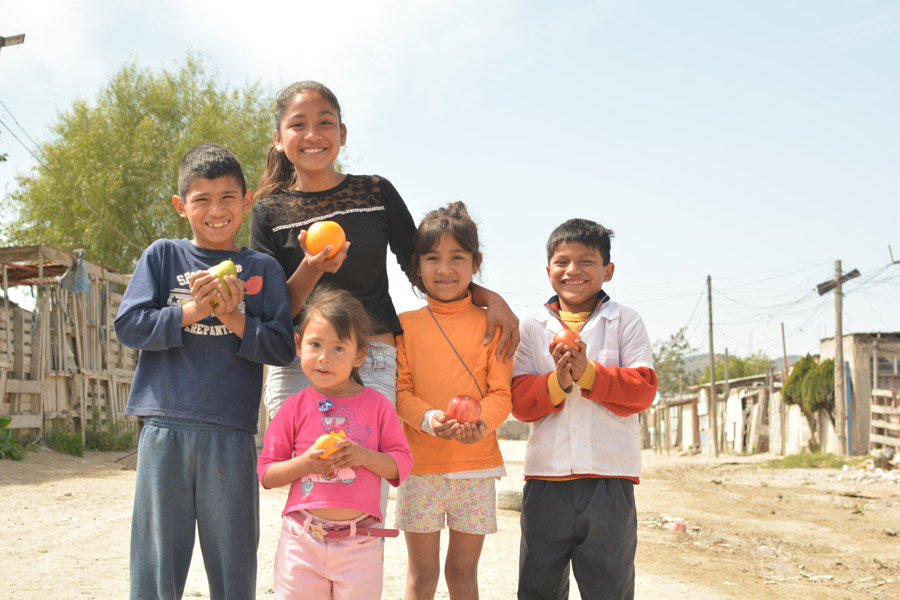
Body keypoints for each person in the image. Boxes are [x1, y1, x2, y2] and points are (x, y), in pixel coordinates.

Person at [249, 80, 519, 421]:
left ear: (343, 133)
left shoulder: (375, 192)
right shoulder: (268, 212)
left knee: (364, 471)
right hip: (298, 362)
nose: (313, 134)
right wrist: (312, 268)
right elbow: (272, 310)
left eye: (325, 122)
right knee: (306, 470)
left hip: (372, 355)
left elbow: (421, 269)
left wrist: (489, 298)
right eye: (298, 124)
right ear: (278, 138)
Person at [114, 143, 296, 600]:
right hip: (164, 427)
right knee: (157, 562)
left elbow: (281, 348)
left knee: (234, 562)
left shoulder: (262, 269)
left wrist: (235, 317)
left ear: (247, 200)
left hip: (231, 433)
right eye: (201, 200)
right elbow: (129, 326)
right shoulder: (162, 257)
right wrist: (195, 309)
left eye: (228, 198)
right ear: (181, 206)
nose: (216, 210)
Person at [510, 218, 658, 600]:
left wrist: (589, 374)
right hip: (546, 482)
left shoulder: (625, 321)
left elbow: (643, 389)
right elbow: (520, 400)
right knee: (538, 587)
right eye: (561, 262)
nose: (572, 270)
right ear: (548, 272)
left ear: (607, 271)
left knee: (610, 588)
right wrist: (557, 383)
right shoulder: (531, 326)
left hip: (610, 483)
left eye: (586, 262)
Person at [257, 286, 413, 600]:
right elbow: (267, 473)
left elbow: (401, 464)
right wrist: (306, 464)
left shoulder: (378, 405)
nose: (325, 358)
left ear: (360, 354)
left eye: (339, 348)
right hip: (301, 542)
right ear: (299, 345)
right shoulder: (294, 407)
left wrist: (362, 456)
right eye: (315, 344)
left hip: (360, 545)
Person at [394, 202, 513, 600]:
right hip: (419, 467)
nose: (444, 269)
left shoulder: (493, 324)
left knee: (462, 575)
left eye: (457, 257)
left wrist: (482, 424)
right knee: (422, 576)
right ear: (417, 265)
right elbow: (400, 393)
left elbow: (501, 394)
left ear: (475, 263)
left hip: (475, 468)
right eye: (433, 258)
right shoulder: (403, 326)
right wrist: (428, 418)